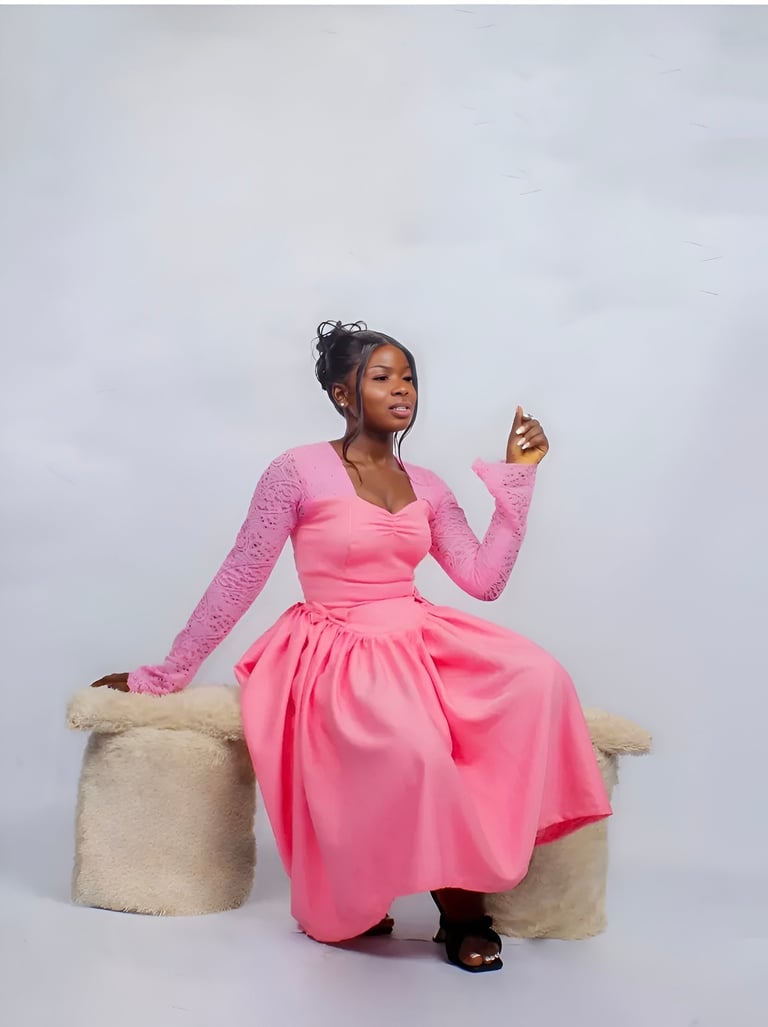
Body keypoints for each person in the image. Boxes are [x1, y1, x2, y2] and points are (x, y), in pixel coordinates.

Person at [92, 320, 612, 973]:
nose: (402, 389)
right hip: (336, 645)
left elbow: (483, 579)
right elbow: (240, 575)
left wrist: (519, 480)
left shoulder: (427, 484)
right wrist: (168, 672)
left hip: (415, 632)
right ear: (343, 393)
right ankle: (446, 912)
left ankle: (463, 904)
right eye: (382, 376)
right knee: (418, 748)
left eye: (409, 377)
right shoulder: (296, 471)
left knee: (539, 674)